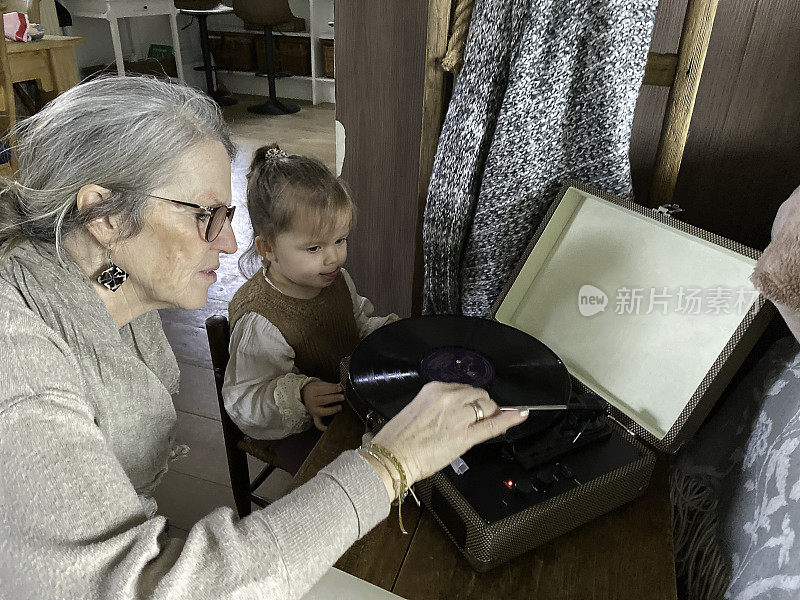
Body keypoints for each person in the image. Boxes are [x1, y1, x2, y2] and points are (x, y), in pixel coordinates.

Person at [0, 76, 529, 599]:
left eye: (226, 215)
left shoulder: (98, 286)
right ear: (106, 214)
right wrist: (391, 464)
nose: (230, 244)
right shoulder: (16, 359)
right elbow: (136, 587)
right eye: (206, 215)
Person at [223, 144, 397, 460]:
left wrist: (383, 333)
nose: (334, 257)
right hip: (294, 428)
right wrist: (301, 396)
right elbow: (245, 401)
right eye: (314, 248)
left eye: (340, 240)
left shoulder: (335, 279)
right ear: (268, 249)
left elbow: (353, 323)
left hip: (346, 397)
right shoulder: (260, 320)